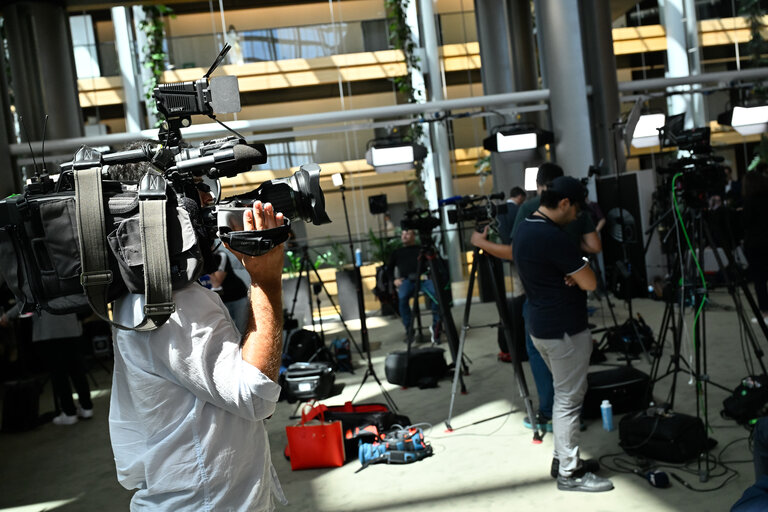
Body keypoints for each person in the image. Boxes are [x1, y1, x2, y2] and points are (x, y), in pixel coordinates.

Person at [109, 199, 288, 510]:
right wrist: (266, 281)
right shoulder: (174, 302)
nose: (210, 217)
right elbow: (255, 396)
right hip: (208, 502)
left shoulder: (138, 294)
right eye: (202, 205)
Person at [474, 163, 601, 433]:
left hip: (540, 300)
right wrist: (572, 263)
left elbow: (514, 251)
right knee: (569, 369)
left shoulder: (529, 214)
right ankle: (566, 416)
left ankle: (547, 412)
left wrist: (481, 243)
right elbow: (593, 247)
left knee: (540, 351)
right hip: (571, 297)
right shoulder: (568, 217)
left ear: (543, 187)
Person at [513, 176, 611, 492]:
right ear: (565, 203)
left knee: (561, 397)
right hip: (564, 330)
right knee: (568, 401)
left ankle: (563, 459)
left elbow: (564, 274)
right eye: (577, 210)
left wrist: (570, 274)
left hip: (542, 326)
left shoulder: (525, 227)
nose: (577, 217)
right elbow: (591, 282)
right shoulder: (552, 237)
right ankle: (570, 473)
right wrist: (577, 274)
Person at [1, 308, 94, 426]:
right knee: (77, 370)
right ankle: (87, 407)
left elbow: (26, 301)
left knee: (59, 374)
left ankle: (69, 412)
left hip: (47, 328)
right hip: (71, 324)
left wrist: (7, 316)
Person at [387, 229, 441, 343]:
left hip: (423, 279)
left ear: (413, 236)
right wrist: (394, 280)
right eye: (402, 233)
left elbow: (434, 263)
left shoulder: (421, 249)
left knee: (437, 296)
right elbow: (389, 269)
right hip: (406, 280)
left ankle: (436, 327)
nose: (404, 235)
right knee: (402, 298)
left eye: (407, 233)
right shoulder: (397, 252)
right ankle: (409, 329)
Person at [742, 164, 768, 324]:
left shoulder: (749, 201)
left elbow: (745, 222)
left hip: (755, 244)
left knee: (759, 280)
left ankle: (765, 312)